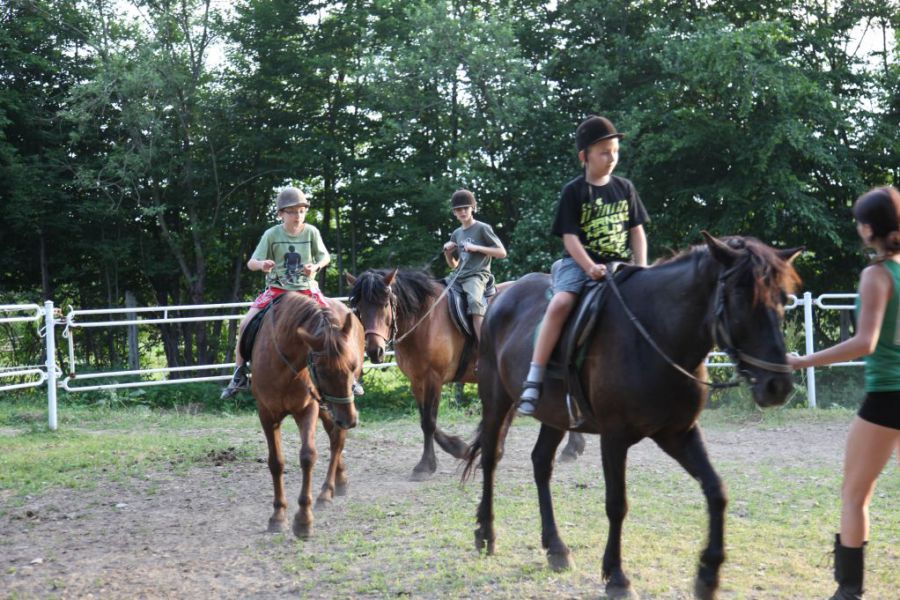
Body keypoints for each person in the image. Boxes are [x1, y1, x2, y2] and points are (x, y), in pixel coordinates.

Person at [787, 186, 900, 599]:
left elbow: (865, 342)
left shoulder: (877, 275)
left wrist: (803, 361)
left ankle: (848, 592)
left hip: (887, 397)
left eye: (858, 222)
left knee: (854, 496)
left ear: (868, 229)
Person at [518, 115, 649, 416]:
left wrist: (641, 269)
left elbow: (637, 232)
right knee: (561, 304)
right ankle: (534, 377)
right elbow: (570, 237)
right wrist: (589, 266)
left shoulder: (625, 188)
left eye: (615, 152)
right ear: (584, 156)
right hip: (577, 265)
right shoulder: (574, 191)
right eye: (604, 152)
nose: (611, 158)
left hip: (620, 265)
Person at [221, 187, 330, 399]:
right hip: (278, 289)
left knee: (334, 322)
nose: (298, 215)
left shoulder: (312, 232)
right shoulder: (271, 234)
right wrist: (262, 265)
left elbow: (325, 257)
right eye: (292, 211)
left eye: (302, 211)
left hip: (307, 289)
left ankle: (347, 374)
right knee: (245, 323)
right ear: (280, 213)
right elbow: (251, 263)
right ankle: (239, 374)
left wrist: (315, 267)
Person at [442, 189, 507, 342]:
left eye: (465, 208)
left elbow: (502, 253)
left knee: (474, 303)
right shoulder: (456, 233)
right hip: (458, 276)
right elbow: (454, 265)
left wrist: (477, 248)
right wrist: (448, 253)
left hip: (477, 275)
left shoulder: (482, 228)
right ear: (454, 213)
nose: (462, 212)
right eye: (458, 209)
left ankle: (484, 346)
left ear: (473, 208)